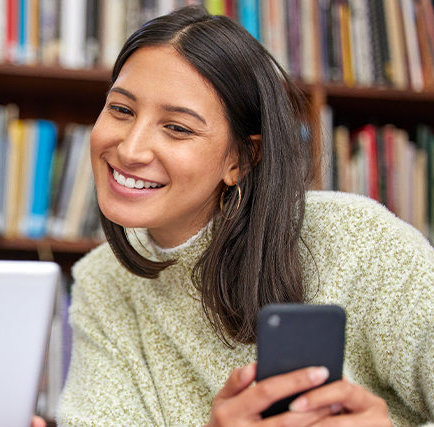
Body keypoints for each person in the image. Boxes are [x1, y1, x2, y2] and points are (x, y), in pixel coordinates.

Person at [57, 5, 433, 427]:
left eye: (178, 128)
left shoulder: (361, 243)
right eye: (121, 110)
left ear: (241, 159)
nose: (130, 149)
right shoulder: (103, 281)